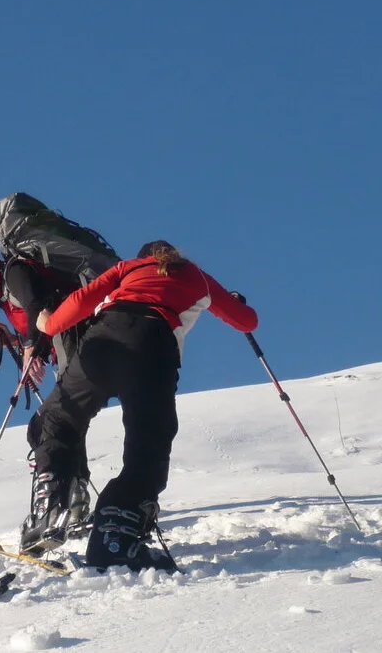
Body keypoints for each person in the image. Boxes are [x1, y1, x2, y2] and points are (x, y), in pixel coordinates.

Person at [19, 240, 258, 568]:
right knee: (148, 441)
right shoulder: (196, 276)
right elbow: (246, 322)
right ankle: (116, 534)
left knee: (61, 417)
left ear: (142, 257)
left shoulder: (125, 269)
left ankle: (49, 502)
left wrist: (47, 324)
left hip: (102, 341)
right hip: (152, 347)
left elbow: (79, 302)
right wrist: (233, 301)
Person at [0, 244, 95, 532]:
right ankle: (73, 500)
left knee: (49, 425)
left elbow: (37, 306)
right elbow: (38, 319)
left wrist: (30, 348)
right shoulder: (7, 292)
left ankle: (58, 505)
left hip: (82, 345)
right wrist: (16, 342)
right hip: (74, 349)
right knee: (57, 424)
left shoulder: (15, 271)